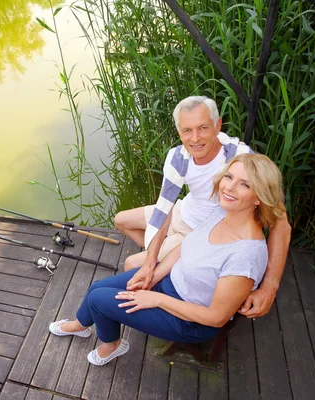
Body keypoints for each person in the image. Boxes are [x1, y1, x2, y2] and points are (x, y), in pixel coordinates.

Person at [49, 153, 286, 365]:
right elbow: (187, 246)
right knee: (97, 287)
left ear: (259, 197)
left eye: (244, 184)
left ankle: (112, 345)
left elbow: (216, 318)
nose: (229, 188)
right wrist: (153, 273)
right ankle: (81, 325)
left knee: (99, 300)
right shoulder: (222, 211)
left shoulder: (245, 256)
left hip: (189, 320)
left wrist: (156, 299)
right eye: (229, 177)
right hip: (170, 281)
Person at [114, 96, 291, 319]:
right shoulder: (178, 157)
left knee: (131, 263)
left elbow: (281, 222)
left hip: (202, 231)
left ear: (218, 126)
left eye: (203, 128)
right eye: (187, 130)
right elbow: (164, 209)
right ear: (179, 132)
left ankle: (168, 264)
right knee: (121, 220)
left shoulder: (241, 158)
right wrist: (151, 261)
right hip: (183, 211)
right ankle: (162, 255)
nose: (195, 138)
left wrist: (269, 288)